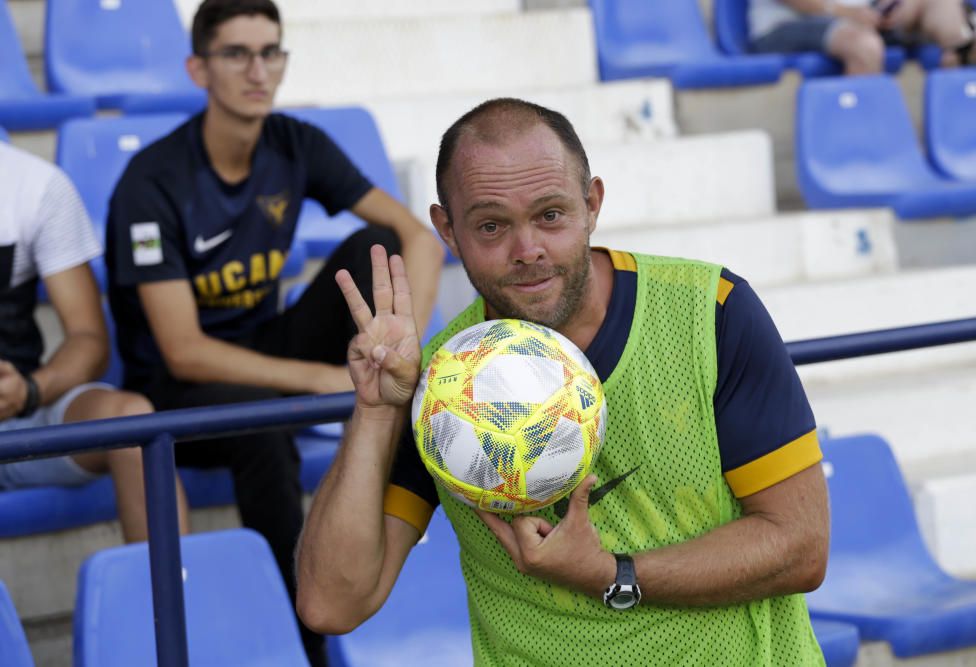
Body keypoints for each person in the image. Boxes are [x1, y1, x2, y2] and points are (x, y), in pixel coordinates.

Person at [296, 98, 830, 665]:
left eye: (550, 215)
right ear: (447, 230)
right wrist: (377, 411)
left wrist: (612, 575)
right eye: (491, 225)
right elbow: (332, 604)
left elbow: (800, 547)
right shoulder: (439, 390)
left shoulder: (709, 312)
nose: (527, 251)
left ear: (592, 203)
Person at [103, 0, 443, 663]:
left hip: (265, 344)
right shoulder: (152, 183)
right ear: (198, 68)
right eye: (236, 54)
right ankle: (307, 636)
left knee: (374, 243)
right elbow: (185, 350)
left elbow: (419, 240)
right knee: (263, 424)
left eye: (270, 52)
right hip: (178, 388)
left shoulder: (295, 142)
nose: (258, 71)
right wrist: (322, 379)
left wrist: (405, 349)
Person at [0, 141, 189, 544]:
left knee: (132, 419)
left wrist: (28, 391)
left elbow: (89, 340)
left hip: (16, 421)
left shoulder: (33, 184)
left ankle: (173, 603)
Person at [749, 0, 976, 73]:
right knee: (865, 45)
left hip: (860, 16)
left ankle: (963, 52)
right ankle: (855, 146)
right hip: (785, 25)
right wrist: (845, 12)